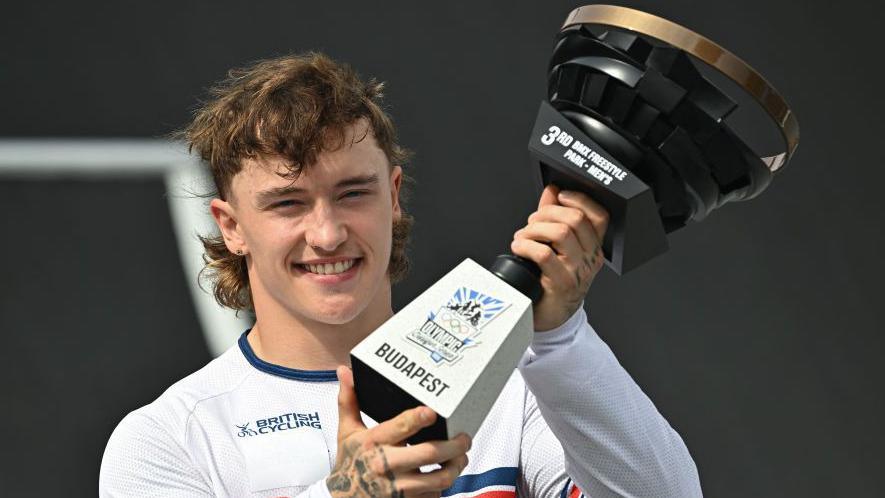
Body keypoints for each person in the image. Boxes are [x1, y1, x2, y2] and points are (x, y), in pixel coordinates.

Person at [99, 52, 702, 498]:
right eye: (287, 203)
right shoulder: (166, 438)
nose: (328, 233)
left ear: (393, 196)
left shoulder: (518, 389)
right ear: (231, 226)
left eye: (352, 193)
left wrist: (559, 339)